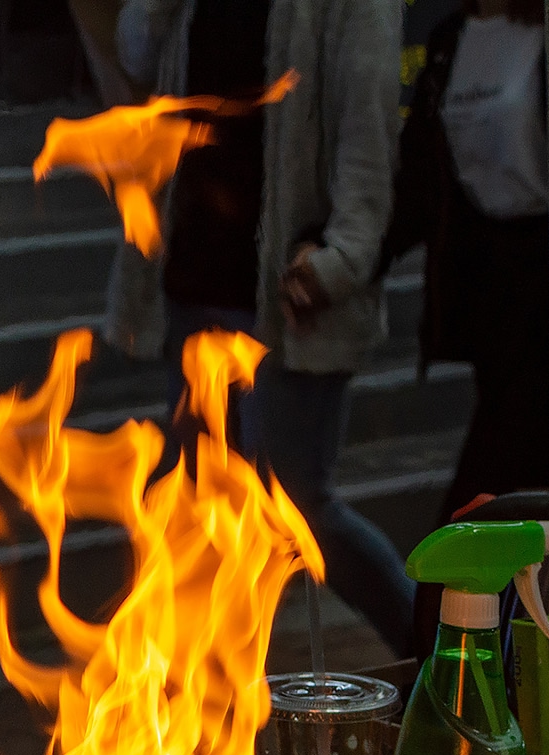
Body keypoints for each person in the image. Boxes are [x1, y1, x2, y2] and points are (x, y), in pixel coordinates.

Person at [110, 0, 416, 661]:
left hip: (283, 297)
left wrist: (342, 260)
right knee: (198, 508)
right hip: (195, 280)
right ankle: (207, 709)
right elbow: (134, 53)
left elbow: (368, 135)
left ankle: (438, 652)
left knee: (296, 503)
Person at [380, 0, 549, 650]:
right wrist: (347, 259)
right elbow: (424, 179)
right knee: (492, 509)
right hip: (492, 312)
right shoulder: (452, 39)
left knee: (489, 508)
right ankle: (458, 671)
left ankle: (445, 669)